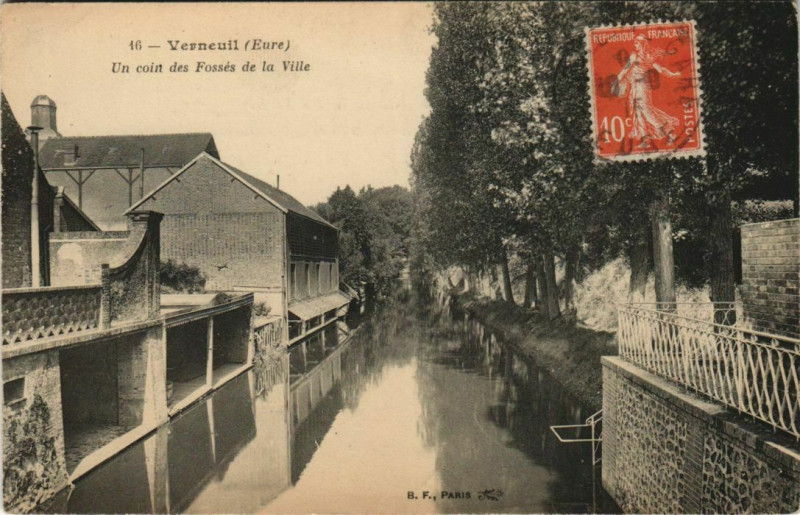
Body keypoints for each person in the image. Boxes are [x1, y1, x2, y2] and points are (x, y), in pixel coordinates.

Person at [611, 35, 681, 149]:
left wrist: (672, 74)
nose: (635, 45)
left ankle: (670, 134)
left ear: (642, 44)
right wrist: (616, 82)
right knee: (638, 113)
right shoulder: (635, 56)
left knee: (647, 112)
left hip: (642, 86)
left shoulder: (648, 57)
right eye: (635, 43)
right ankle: (645, 140)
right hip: (634, 86)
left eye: (637, 43)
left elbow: (660, 69)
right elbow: (625, 70)